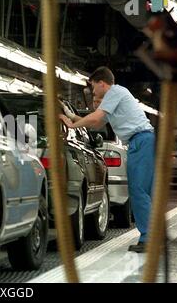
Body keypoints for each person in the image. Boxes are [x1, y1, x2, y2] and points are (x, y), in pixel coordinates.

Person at [60, 66, 155, 253]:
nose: (93, 92)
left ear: (102, 84)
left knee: (138, 191)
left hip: (141, 142)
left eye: (94, 88)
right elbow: (98, 122)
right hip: (143, 142)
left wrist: (72, 124)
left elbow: (96, 118)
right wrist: (72, 116)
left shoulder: (116, 91)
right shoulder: (115, 98)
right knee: (143, 191)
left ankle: (148, 239)